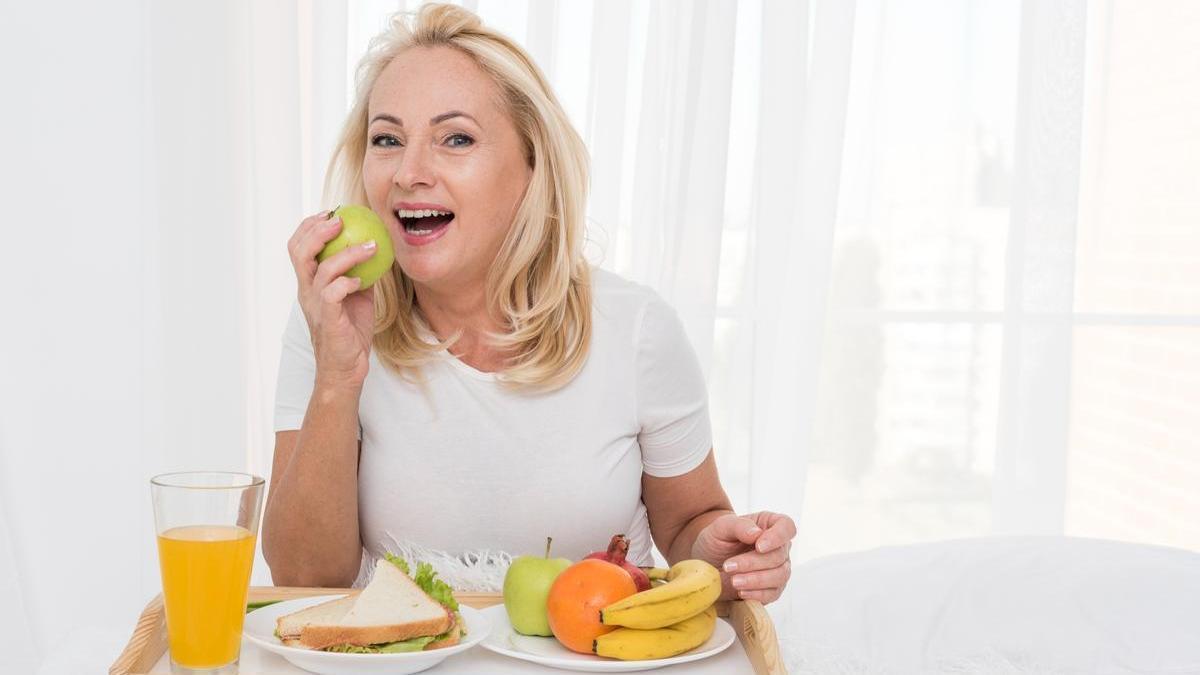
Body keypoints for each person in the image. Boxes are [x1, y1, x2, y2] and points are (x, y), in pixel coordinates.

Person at [262, 3, 794, 605]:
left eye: (455, 138)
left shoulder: (635, 330)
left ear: (531, 163)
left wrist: (726, 556)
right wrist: (338, 375)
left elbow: (687, 526)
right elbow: (305, 578)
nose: (409, 173)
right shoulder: (333, 318)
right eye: (387, 139)